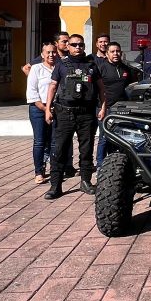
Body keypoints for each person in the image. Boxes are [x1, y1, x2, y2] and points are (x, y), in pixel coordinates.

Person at [44, 35, 107, 200]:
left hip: (86, 114)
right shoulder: (61, 65)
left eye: (80, 45)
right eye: (74, 45)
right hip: (64, 112)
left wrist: (103, 107)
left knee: (86, 150)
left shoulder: (92, 65)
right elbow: (53, 87)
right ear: (68, 46)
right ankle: (55, 185)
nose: (77, 47)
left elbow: (101, 88)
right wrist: (47, 109)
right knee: (59, 150)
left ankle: (85, 182)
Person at [94, 40, 139, 168]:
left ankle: (117, 164)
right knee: (104, 137)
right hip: (105, 108)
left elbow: (132, 88)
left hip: (122, 109)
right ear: (107, 54)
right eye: (112, 51)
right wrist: (102, 109)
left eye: (118, 51)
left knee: (120, 137)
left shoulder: (126, 68)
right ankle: (100, 165)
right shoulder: (101, 68)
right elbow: (98, 90)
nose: (115, 54)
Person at [25, 42, 57, 184]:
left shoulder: (60, 68)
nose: (51, 55)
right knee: (40, 141)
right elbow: (32, 93)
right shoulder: (36, 69)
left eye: (53, 52)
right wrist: (46, 110)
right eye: (48, 52)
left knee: (53, 141)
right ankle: (39, 171)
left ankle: (55, 169)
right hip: (38, 108)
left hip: (57, 109)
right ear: (42, 54)